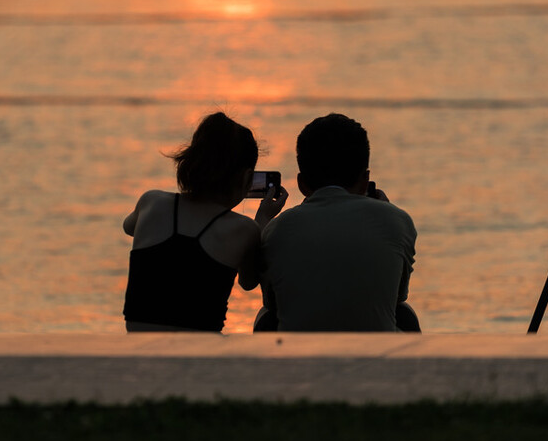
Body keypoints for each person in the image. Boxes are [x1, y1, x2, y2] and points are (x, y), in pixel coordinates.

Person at [122, 112, 287, 332]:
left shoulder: (151, 202)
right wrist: (262, 220)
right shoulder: (243, 229)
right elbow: (248, 282)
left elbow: (129, 227)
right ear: (246, 178)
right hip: (199, 357)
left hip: (139, 349)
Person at [258, 113, 419, 332]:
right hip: (374, 355)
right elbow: (398, 295)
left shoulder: (278, 228)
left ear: (301, 184)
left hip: (298, 356)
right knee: (405, 314)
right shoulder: (398, 221)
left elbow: (271, 301)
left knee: (266, 316)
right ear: (365, 180)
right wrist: (388, 212)